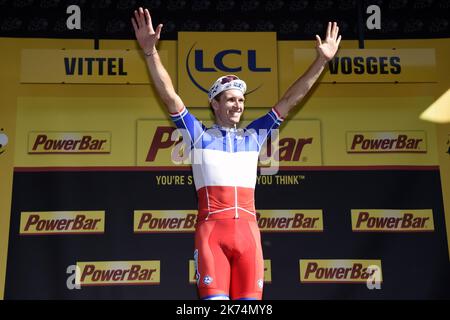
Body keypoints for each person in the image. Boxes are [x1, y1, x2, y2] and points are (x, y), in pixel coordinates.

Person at [132, 7, 341, 300]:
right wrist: (151, 53)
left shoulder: (254, 136)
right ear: (215, 104)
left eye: (241, 100)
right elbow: (170, 96)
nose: (238, 105)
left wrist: (321, 61)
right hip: (211, 234)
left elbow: (290, 99)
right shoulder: (199, 136)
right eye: (230, 99)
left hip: (249, 236)